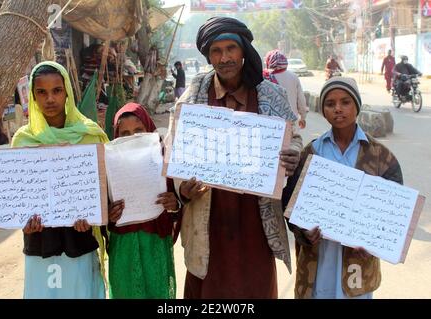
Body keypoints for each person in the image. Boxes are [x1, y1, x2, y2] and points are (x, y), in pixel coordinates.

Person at [168, 16, 303, 298]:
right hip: (208, 220)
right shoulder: (192, 98)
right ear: (208, 55)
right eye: (216, 51)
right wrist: (184, 189)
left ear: (243, 51)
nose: (225, 57)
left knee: (256, 287)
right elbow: (174, 150)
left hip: (256, 220)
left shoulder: (271, 94)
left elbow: (294, 137)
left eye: (231, 48)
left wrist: (293, 155)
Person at [282, 77, 403, 299]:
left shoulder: (381, 157)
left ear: (357, 105)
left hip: (358, 266)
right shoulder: (311, 153)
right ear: (323, 110)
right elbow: (290, 203)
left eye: (345, 102)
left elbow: (392, 215)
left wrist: (373, 241)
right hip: (317, 260)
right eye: (330, 104)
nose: (338, 109)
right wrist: (303, 232)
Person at [11, 61, 109, 299]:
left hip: (80, 239)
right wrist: (24, 221)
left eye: (57, 90)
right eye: (41, 92)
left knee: (80, 291)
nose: (50, 99)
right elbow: (17, 197)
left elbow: (105, 189)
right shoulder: (23, 140)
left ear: (67, 92)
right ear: (33, 97)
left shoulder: (89, 135)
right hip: (40, 243)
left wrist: (92, 216)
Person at [107, 102, 181, 298]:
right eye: (125, 133)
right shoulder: (108, 163)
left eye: (139, 130)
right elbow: (98, 207)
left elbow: (178, 200)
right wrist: (109, 215)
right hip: (123, 243)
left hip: (154, 241)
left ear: (149, 128)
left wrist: (174, 204)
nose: (133, 137)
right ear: (117, 135)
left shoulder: (163, 155)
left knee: (157, 291)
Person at [264, 50, 309, 129]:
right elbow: (301, 101)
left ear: (269, 62)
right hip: (291, 123)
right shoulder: (293, 77)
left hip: (270, 124)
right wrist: (303, 117)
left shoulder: (264, 77)